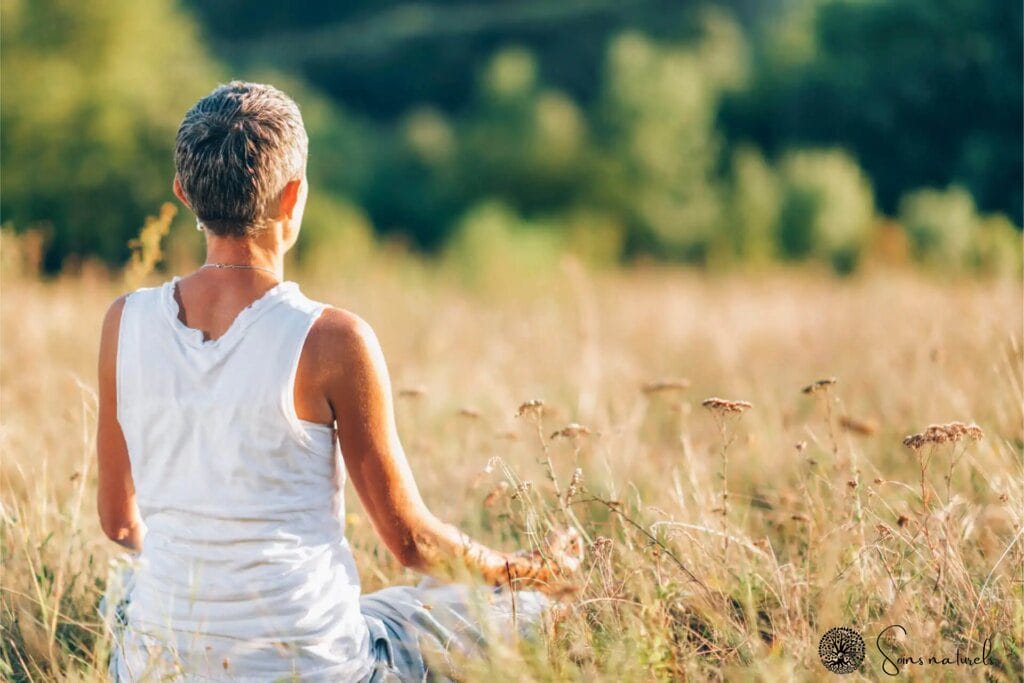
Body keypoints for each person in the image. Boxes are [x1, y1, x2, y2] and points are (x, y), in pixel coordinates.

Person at [95, 81, 583, 682]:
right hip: (317, 670)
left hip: (161, 669)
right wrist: (531, 571)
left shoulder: (125, 323)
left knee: (122, 594)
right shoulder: (332, 339)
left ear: (183, 193)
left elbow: (119, 522)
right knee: (523, 612)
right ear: (293, 196)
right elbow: (412, 546)